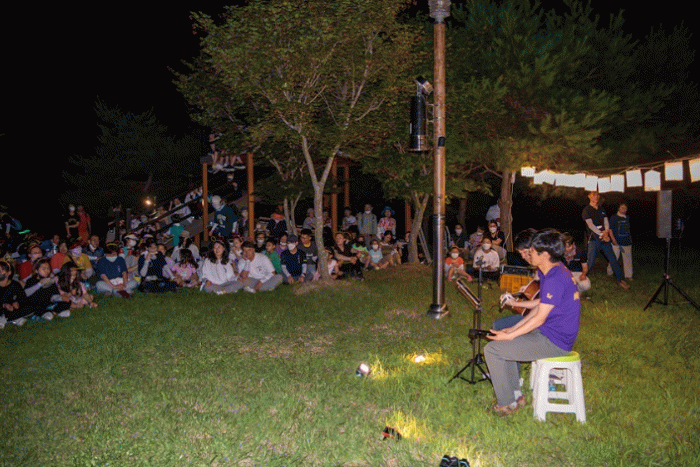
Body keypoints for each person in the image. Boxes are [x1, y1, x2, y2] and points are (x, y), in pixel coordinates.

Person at [485, 229, 581, 415]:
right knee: (505, 340)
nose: (529, 253)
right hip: (550, 333)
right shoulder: (554, 271)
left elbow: (539, 318)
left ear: (544, 255)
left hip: (555, 341)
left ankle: (505, 405)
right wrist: (512, 330)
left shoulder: (555, 278)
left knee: (492, 350)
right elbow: (539, 309)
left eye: (533, 250)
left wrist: (510, 335)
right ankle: (516, 397)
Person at [581, 191, 629, 289]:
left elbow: (606, 221)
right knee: (590, 262)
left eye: (597, 195)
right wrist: (601, 234)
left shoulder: (601, 209)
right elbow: (590, 225)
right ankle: (580, 281)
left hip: (605, 240)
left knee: (613, 259)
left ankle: (620, 279)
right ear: (589, 196)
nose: (596, 197)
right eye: (593, 195)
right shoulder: (586, 210)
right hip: (594, 240)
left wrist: (606, 231)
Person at [0, 260, 32, 327]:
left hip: (13, 309)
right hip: (2, 309)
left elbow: (23, 298)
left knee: (29, 307)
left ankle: (8, 318)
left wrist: (17, 303)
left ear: (9, 273)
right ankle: (11, 319)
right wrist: (4, 305)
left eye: (2, 270)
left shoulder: (15, 284)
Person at [608, 202, 632, 281]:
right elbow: (610, 230)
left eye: (625, 208)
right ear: (618, 208)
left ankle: (628, 275)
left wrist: (630, 238)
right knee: (614, 258)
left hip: (626, 242)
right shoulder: (614, 218)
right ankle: (610, 272)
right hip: (616, 242)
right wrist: (613, 239)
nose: (624, 209)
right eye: (622, 207)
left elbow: (628, 229)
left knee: (627, 259)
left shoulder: (627, 218)